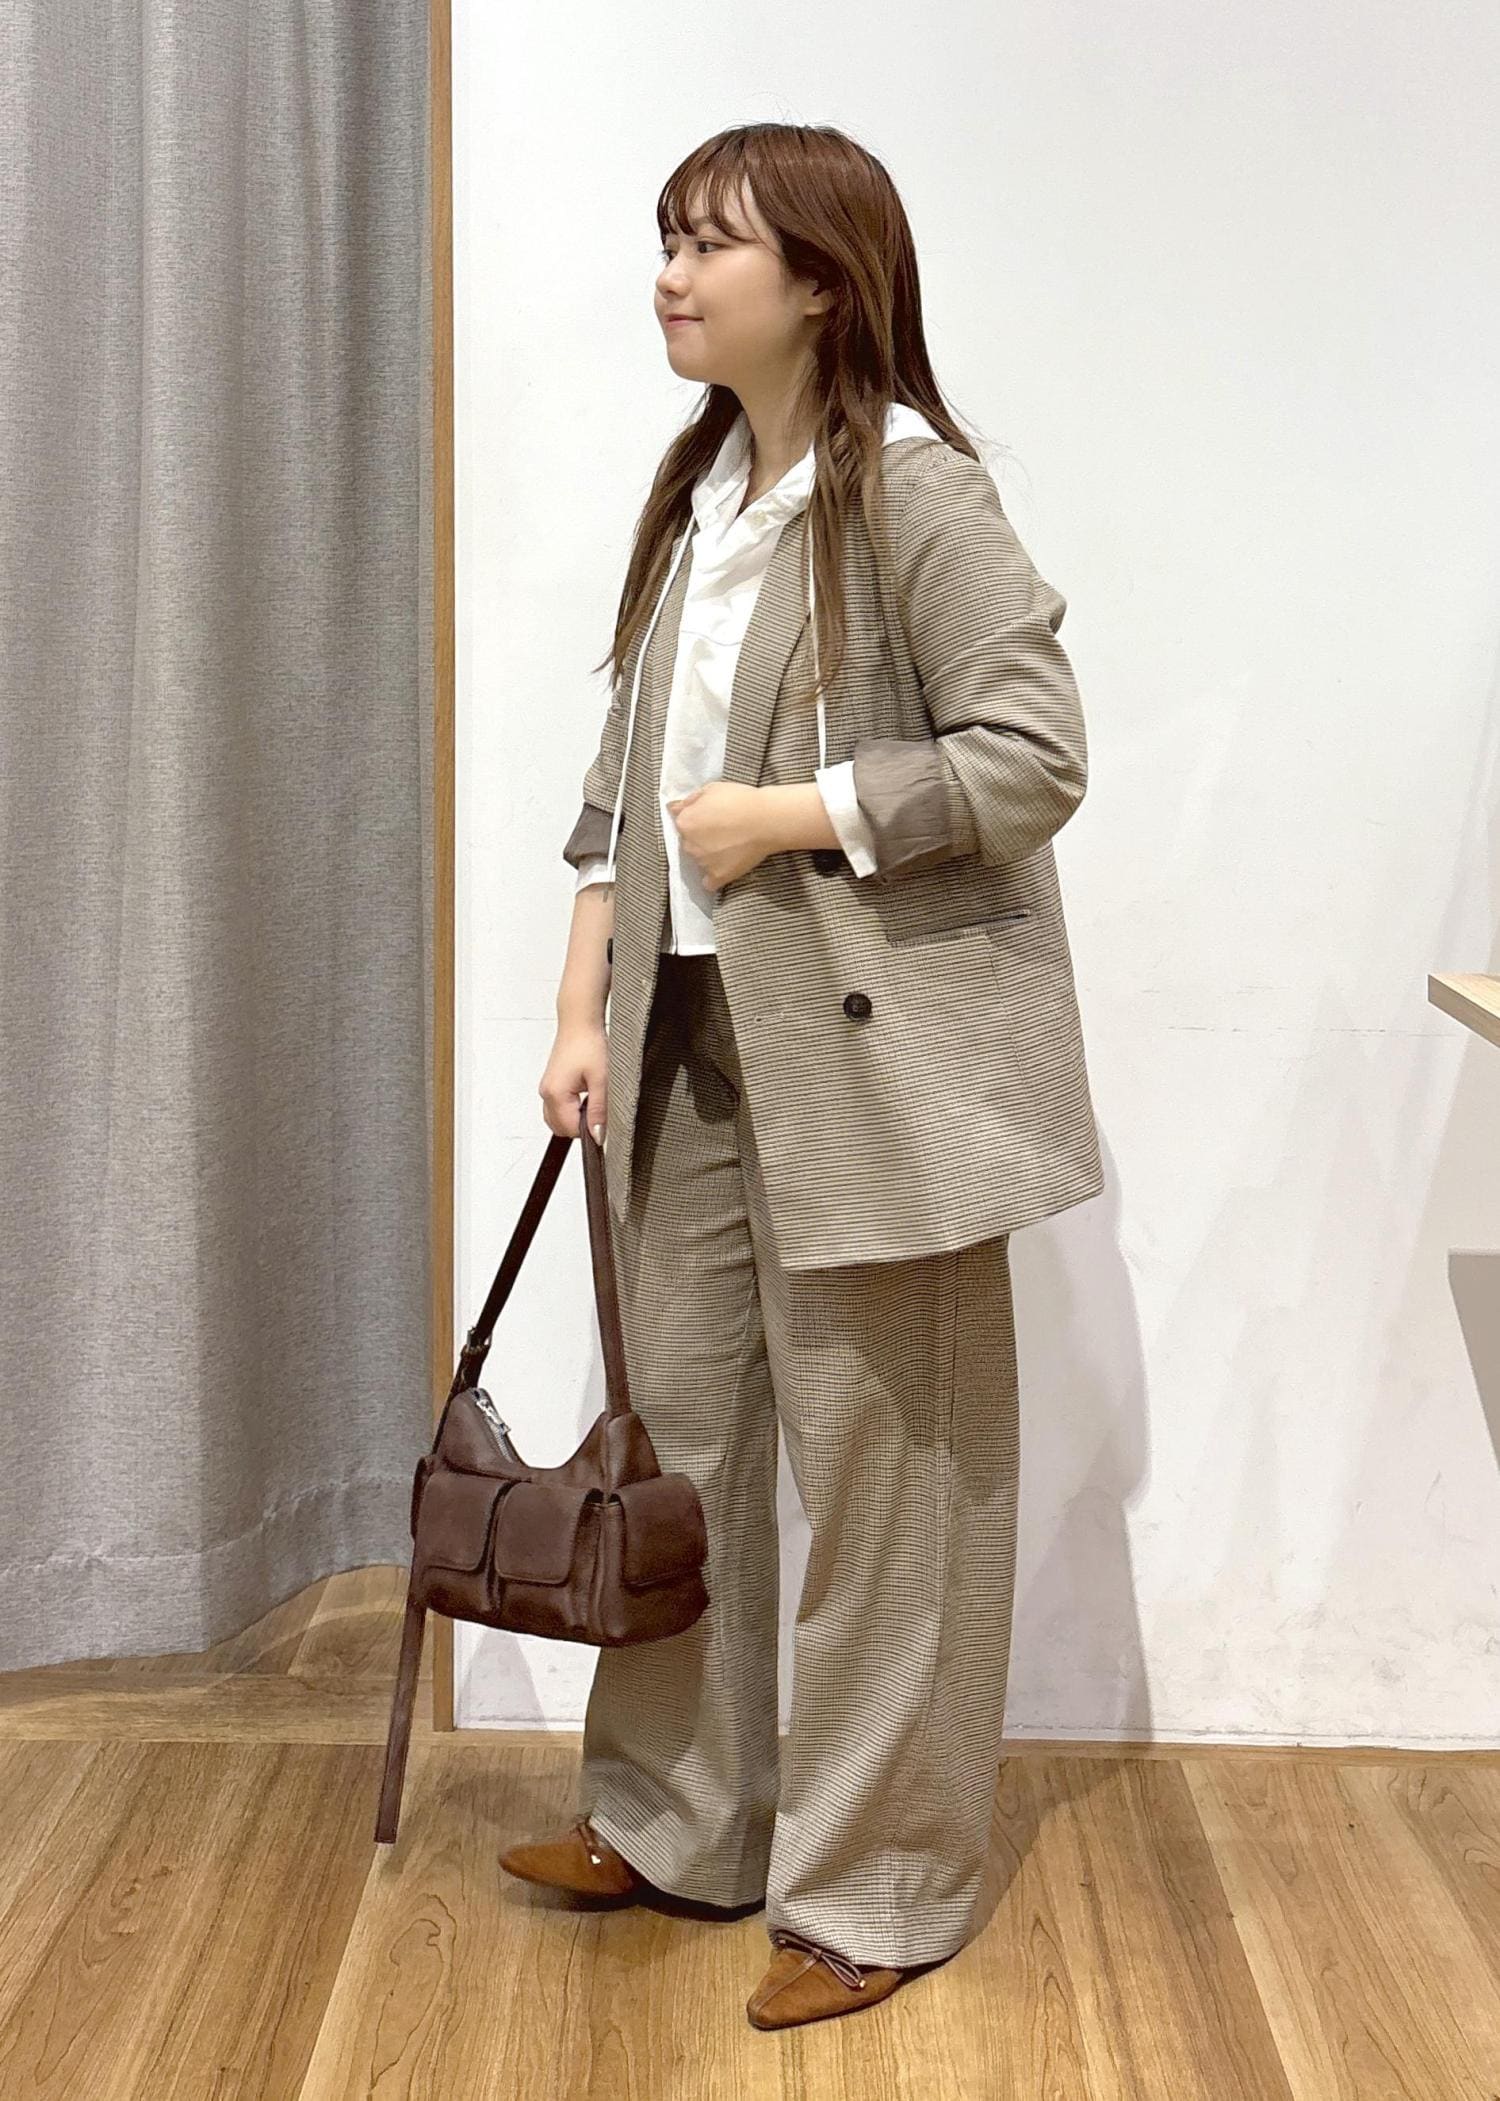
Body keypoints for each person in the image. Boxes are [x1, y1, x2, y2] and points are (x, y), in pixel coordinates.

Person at [507, 122, 1104, 2033]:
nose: (672, 275)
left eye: (712, 246)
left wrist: (796, 813)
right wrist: (583, 1004)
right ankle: (680, 1820)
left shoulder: (913, 492)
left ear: (827, 284)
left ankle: (878, 1886)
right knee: (684, 1446)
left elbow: (1032, 753)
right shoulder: (702, 496)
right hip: (689, 1043)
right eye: (666, 240)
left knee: (887, 1481)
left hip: (875, 1066)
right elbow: (620, 795)